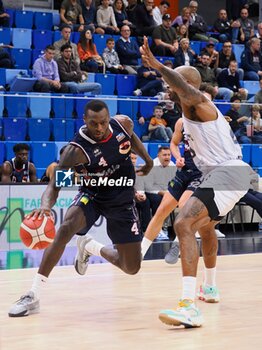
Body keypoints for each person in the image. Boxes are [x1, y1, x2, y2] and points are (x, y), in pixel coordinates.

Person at [140, 37, 251, 328]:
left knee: (182, 224)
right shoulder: (187, 114)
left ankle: (188, 306)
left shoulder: (197, 102)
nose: (167, 89)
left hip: (229, 172)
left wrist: (159, 66)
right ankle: (210, 287)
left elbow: (184, 87)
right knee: (204, 226)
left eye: (172, 84)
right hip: (226, 173)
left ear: (184, 84)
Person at [8, 100, 153, 317]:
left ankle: (90, 246)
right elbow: (56, 183)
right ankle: (32, 294)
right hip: (92, 195)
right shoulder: (75, 151)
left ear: (109, 118)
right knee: (66, 228)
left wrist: (148, 160)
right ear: (84, 120)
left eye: (103, 122)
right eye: (94, 123)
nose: (100, 128)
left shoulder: (123, 125)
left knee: (131, 267)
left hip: (122, 199)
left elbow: (130, 138)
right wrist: (46, 207)